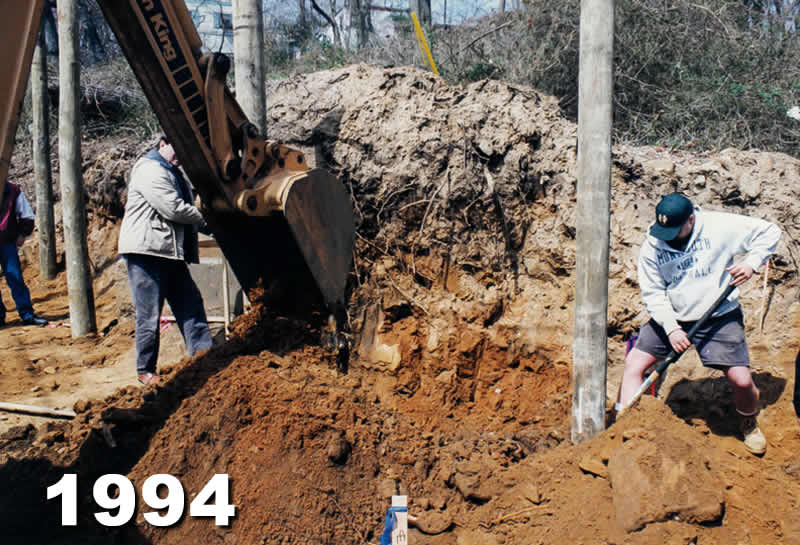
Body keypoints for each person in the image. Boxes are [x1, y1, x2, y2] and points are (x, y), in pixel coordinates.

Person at [618, 192, 780, 455]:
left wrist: (752, 262)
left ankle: (748, 422)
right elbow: (653, 293)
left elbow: (770, 231)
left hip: (718, 316)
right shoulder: (653, 245)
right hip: (672, 314)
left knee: (740, 380)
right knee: (634, 364)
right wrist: (671, 328)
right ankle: (625, 430)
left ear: (691, 220)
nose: (666, 237)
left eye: (674, 230)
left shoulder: (719, 227)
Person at [118, 136, 212, 386]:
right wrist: (207, 220)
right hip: (147, 252)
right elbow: (173, 208)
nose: (180, 156)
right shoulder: (150, 169)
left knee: (190, 304)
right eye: (176, 149)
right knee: (149, 313)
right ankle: (145, 370)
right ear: (161, 144)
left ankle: (205, 356)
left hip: (168, 251)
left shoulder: (172, 172)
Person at [0, 182, 48, 327]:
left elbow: (26, 214)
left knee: (15, 278)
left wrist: (23, 233)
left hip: (6, 242)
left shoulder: (12, 190)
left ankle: (27, 314)